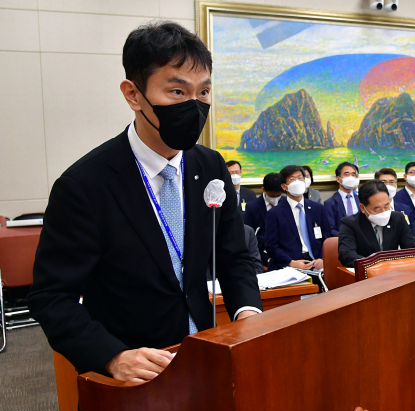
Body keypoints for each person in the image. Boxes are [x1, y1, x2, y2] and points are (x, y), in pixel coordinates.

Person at [26, 22, 263, 381]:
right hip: (132, 376)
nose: (195, 106)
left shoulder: (210, 165)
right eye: (177, 92)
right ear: (133, 94)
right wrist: (112, 356)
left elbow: (233, 255)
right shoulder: (84, 185)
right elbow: (52, 297)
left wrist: (247, 312)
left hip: (206, 356)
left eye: (204, 92)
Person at [338, 180, 415, 267]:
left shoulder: (398, 218)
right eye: (377, 209)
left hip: (394, 273)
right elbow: (347, 255)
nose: (384, 212)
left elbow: (412, 248)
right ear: (363, 208)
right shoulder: (350, 224)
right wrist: (375, 266)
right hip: (367, 275)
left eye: (386, 206)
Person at [265, 165, 330, 271]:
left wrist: (322, 258)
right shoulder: (274, 213)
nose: (297, 182)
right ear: (284, 186)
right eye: (292, 179)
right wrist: (291, 263)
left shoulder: (317, 208)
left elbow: (327, 237)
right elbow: (271, 246)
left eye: (300, 178)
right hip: (290, 265)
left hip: (317, 263)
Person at [244, 173, 284, 267]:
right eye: (272, 196)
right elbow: (249, 235)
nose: (275, 199)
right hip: (262, 253)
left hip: (284, 251)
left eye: (278, 195)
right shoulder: (252, 207)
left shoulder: (286, 203)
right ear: (263, 190)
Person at [323, 161, 360, 237]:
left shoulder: (362, 200)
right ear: (338, 179)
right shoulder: (330, 203)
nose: (351, 177)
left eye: (353, 175)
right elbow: (331, 229)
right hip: (342, 243)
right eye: (347, 174)